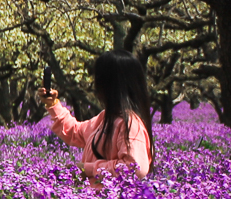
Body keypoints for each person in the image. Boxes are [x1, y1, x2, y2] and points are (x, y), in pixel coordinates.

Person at [38, 52, 156, 187]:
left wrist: (87, 169)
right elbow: (75, 132)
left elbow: (134, 168)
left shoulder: (130, 125)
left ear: (109, 84)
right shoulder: (105, 119)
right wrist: (53, 104)